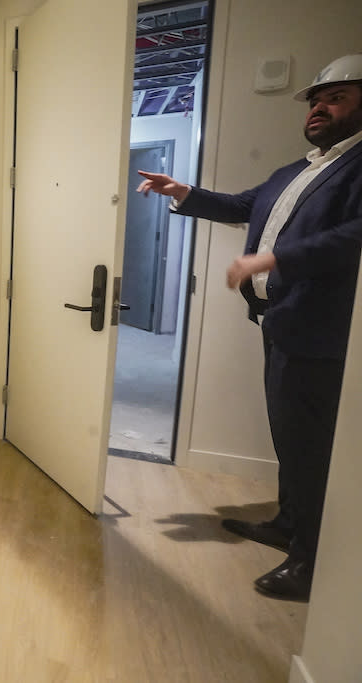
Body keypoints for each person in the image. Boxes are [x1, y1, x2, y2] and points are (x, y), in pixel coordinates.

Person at [136, 53, 362, 601]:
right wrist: (182, 192)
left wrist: (275, 260)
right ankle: (289, 525)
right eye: (314, 100)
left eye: (334, 97)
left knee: (313, 446)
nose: (318, 107)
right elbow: (242, 203)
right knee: (290, 436)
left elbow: (354, 234)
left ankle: (310, 563)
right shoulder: (297, 169)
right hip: (280, 323)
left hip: (322, 333)